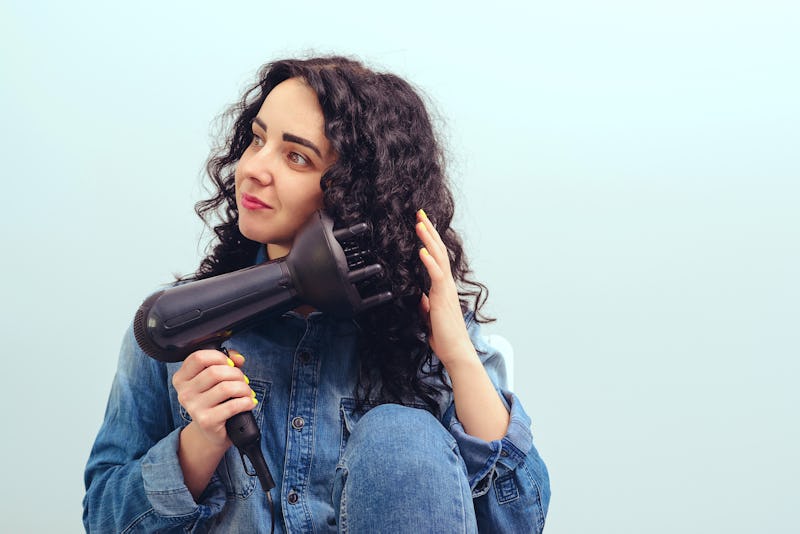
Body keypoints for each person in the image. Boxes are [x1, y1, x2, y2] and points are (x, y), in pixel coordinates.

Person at [83, 56, 550, 533]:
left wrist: (459, 357)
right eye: (257, 139)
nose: (254, 170)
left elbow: (519, 522)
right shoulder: (182, 330)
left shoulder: (427, 331)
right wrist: (199, 444)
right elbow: (104, 519)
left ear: (354, 195)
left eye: (296, 157)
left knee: (399, 435)